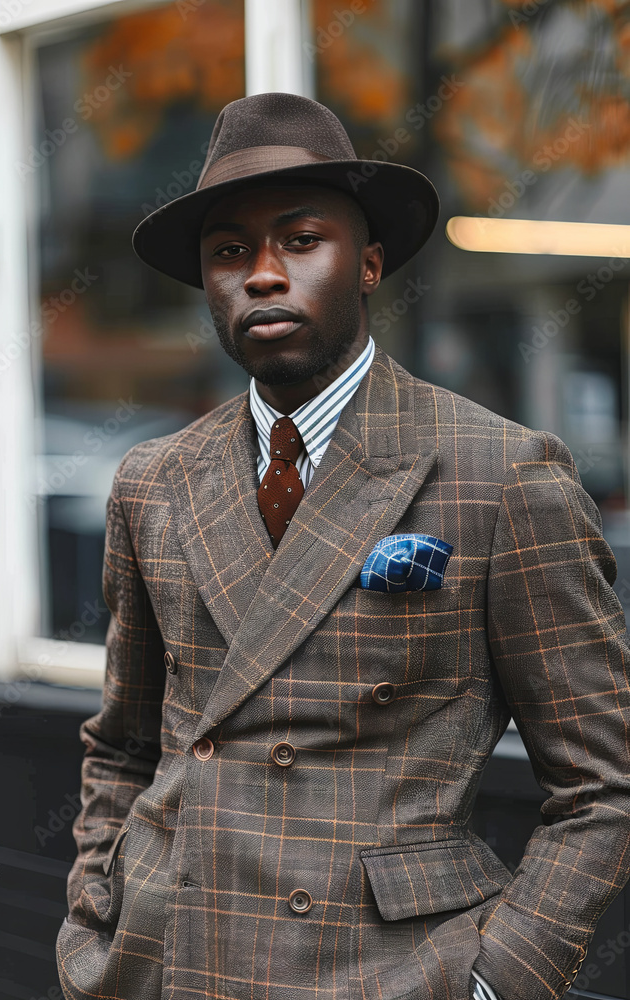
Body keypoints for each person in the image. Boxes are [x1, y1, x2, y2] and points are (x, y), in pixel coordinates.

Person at [56, 92, 630, 1000]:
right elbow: (124, 746)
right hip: (167, 960)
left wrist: (498, 979)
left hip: (383, 971)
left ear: (367, 265)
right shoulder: (153, 481)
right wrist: (95, 915)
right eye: (229, 252)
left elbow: (605, 783)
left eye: (300, 240)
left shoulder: (500, 474)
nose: (262, 275)